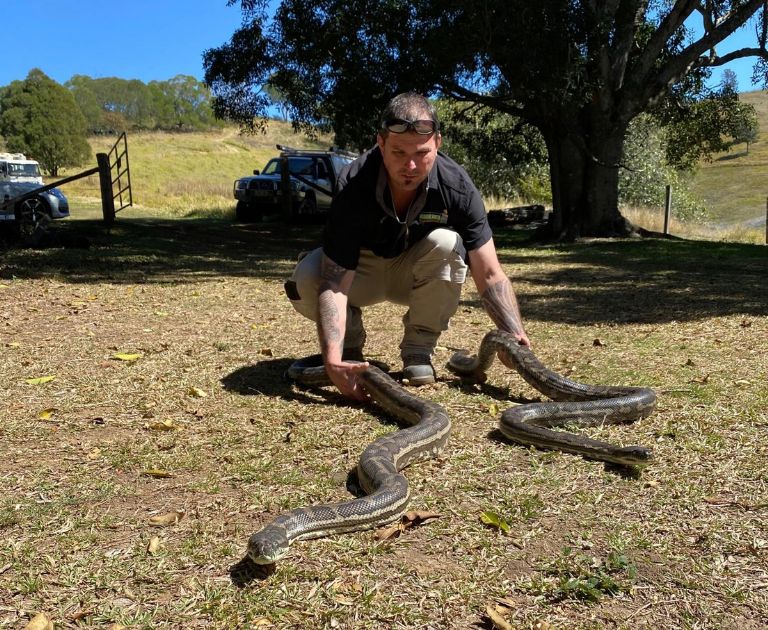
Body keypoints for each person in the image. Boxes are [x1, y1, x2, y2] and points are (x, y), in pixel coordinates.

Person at [284, 92, 530, 400]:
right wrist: (331, 358)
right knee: (308, 275)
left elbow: (490, 273)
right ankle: (349, 350)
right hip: (362, 271)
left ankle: (418, 351)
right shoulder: (354, 182)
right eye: (398, 152)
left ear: (437, 143)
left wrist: (512, 332)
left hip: (414, 274)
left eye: (422, 152)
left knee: (448, 243)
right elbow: (334, 281)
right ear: (381, 143)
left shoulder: (456, 185)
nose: (410, 165)